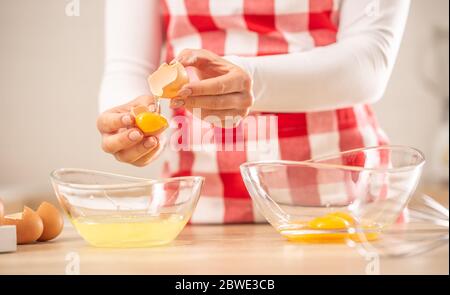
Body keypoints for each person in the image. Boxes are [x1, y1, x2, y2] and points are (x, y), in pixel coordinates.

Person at [98, 0, 410, 223]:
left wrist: (253, 78)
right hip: (196, 208)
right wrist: (126, 118)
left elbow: (370, 61)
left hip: (342, 205)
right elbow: (128, 67)